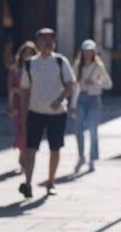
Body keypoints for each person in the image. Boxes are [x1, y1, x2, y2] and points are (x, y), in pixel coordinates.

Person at [19, 28, 76, 198]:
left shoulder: (60, 61)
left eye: (51, 39)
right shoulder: (30, 64)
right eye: (44, 39)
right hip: (35, 112)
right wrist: (23, 114)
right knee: (31, 148)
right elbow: (24, 91)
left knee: (55, 148)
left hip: (57, 113)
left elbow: (71, 84)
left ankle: (51, 181)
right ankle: (28, 183)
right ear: (37, 42)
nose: (48, 42)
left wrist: (59, 99)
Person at [72, 39, 113, 173]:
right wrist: (72, 105)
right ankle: (81, 156)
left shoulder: (98, 66)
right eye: (86, 51)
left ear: (94, 52)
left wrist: (95, 82)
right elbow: (74, 87)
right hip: (81, 98)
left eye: (90, 51)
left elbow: (109, 84)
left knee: (93, 130)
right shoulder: (77, 66)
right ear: (82, 52)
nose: (88, 54)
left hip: (95, 100)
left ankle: (92, 159)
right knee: (78, 129)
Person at [7, 41, 38, 172]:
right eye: (26, 52)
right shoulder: (15, 70)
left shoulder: (37, 68)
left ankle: (25, 154)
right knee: (19, 130)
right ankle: (22, 151)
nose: (28, 55)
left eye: (31, 53)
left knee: (29, 130)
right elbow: (10, 88)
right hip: (18, 105)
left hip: (33, 104)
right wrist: (19, 93)